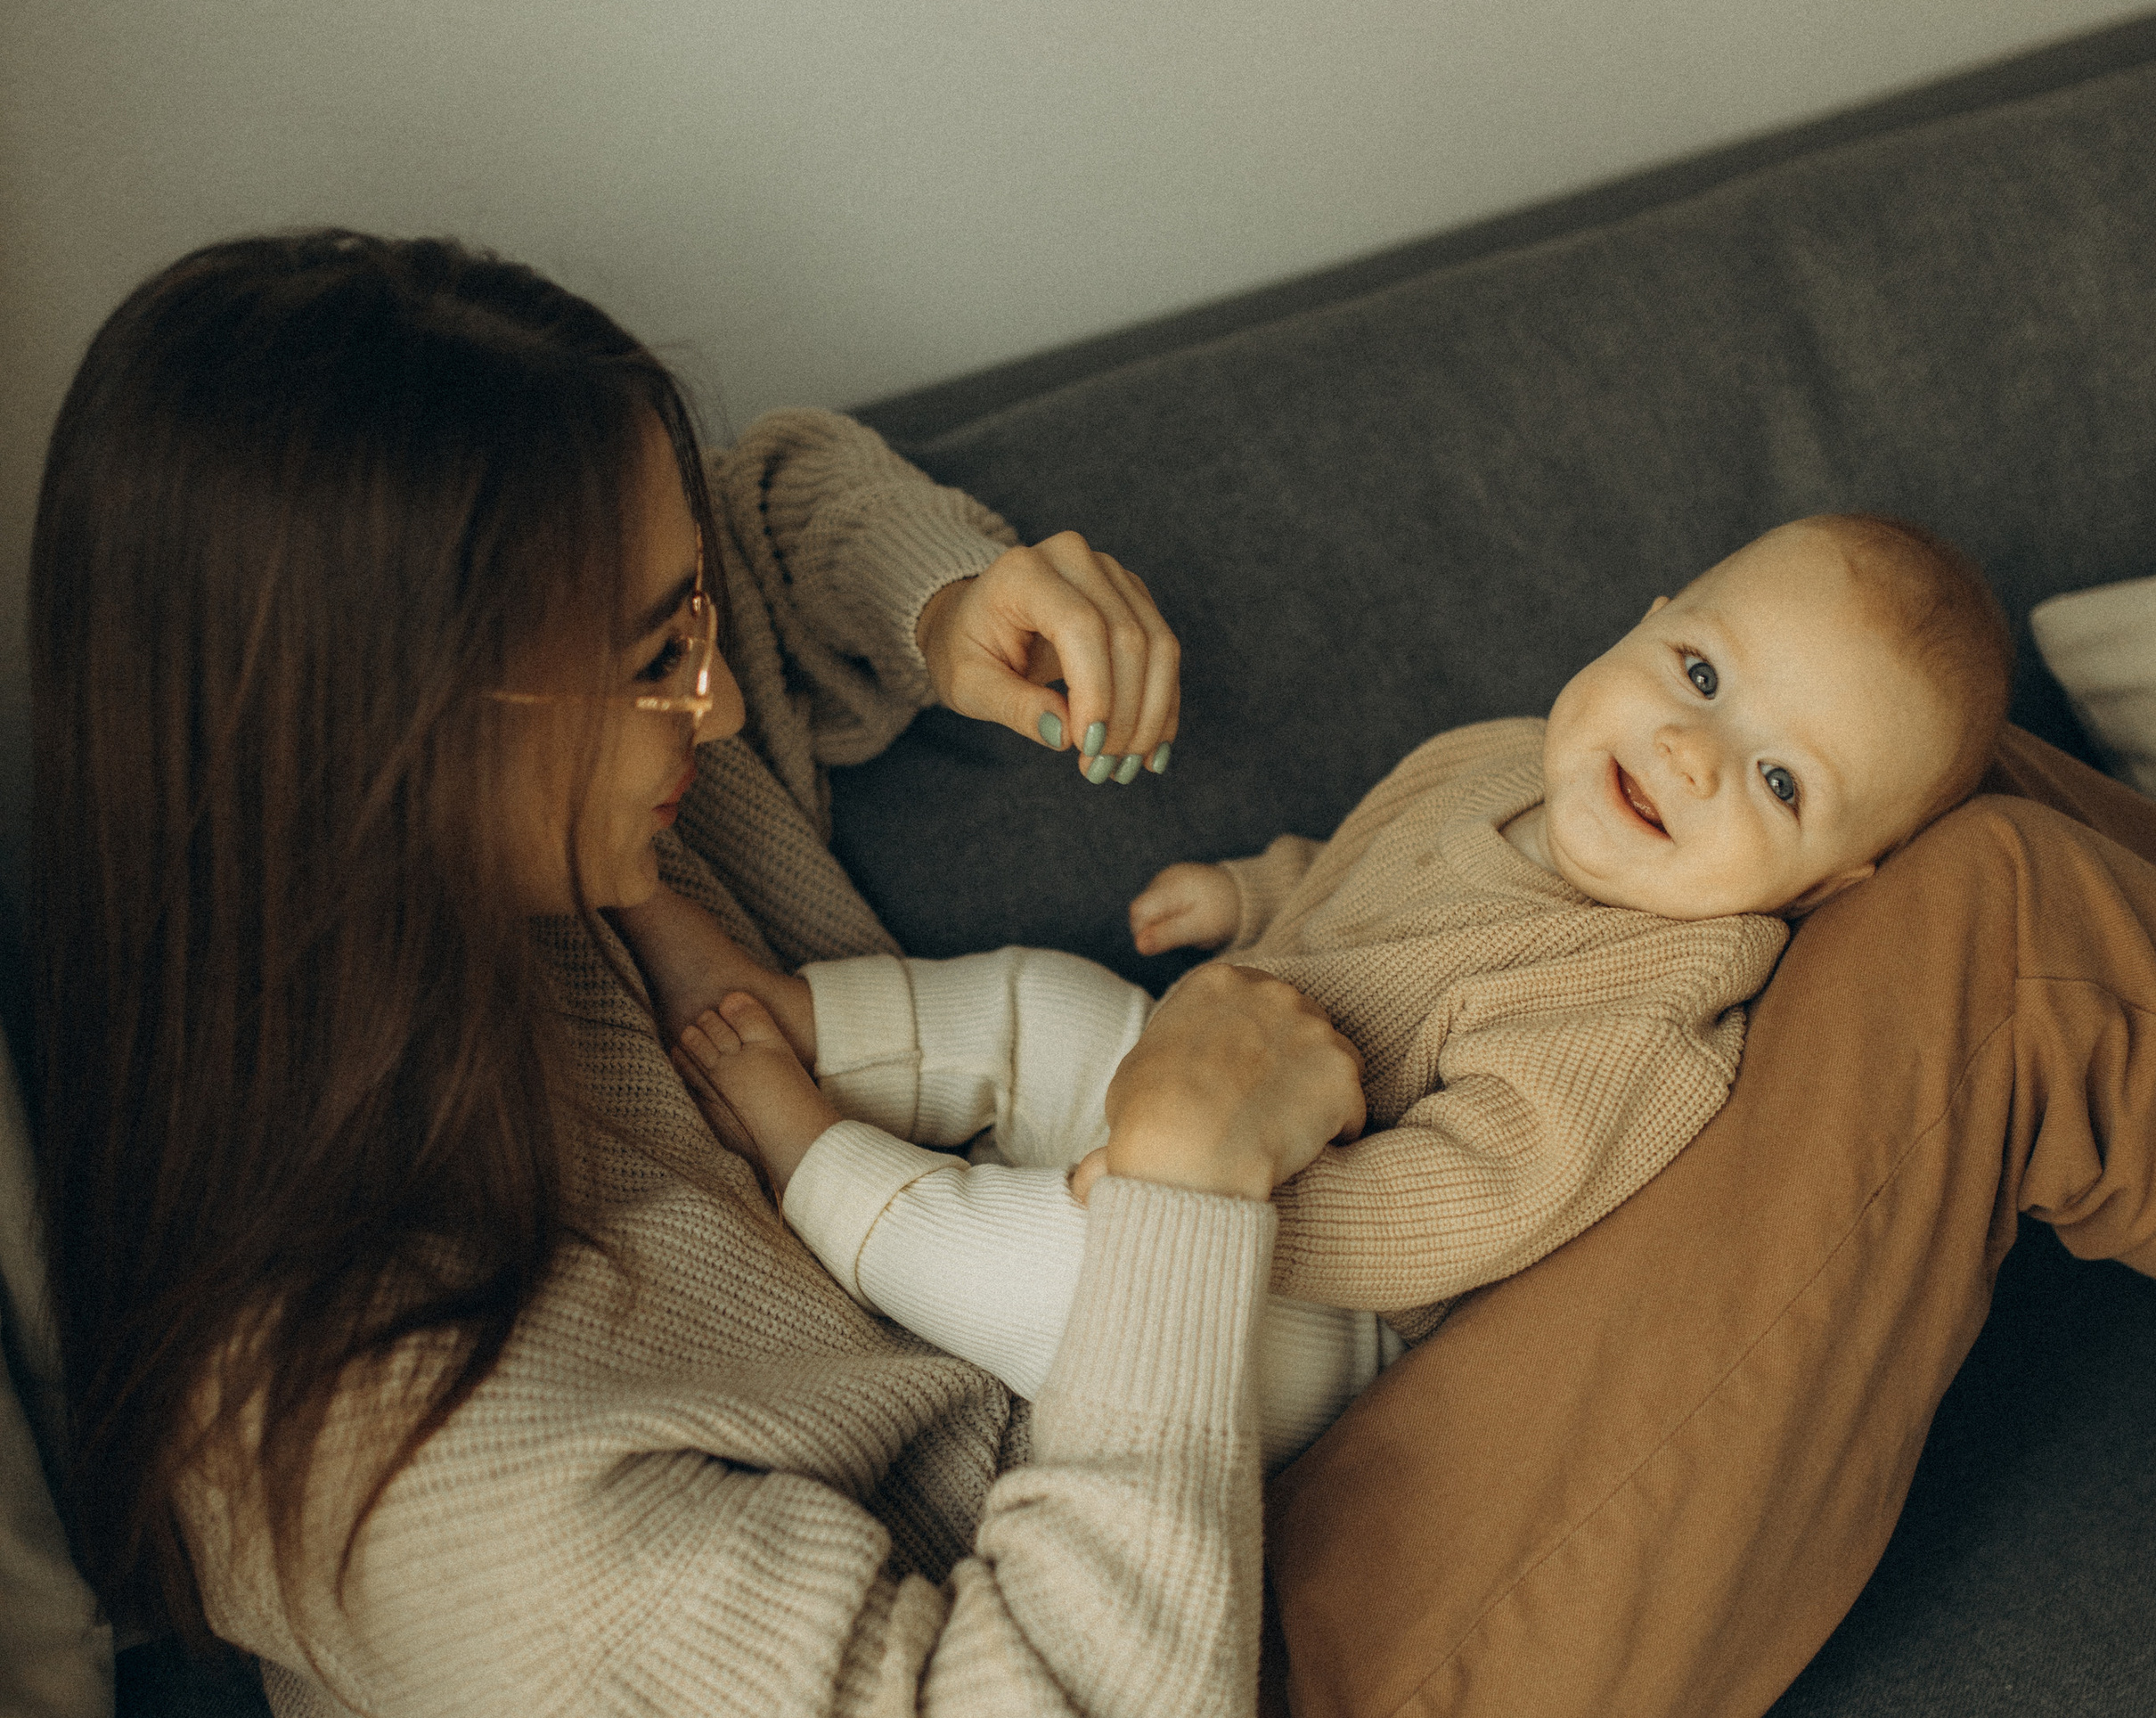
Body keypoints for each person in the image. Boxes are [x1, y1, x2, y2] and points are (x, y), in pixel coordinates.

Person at [31, 230, 1362, 1718]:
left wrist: (941, 602)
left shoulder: (510, 853)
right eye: (660, 657)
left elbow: (761, 502)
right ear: (387, 731)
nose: (716, 704)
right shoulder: (427, 1479)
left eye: (696, 633)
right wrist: (1183, 1194)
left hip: (1196, 1430)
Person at [624, 514, 2014, 1468]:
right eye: (1699, 672)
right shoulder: (1502, 756)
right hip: (1209, 1068)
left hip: (1323, 1320)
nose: (1692, 751)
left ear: (1831, 884)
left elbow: (1463, 1200)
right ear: (1648, 621)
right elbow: (1363, 875)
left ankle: (816, 1159)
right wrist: (1253, 894)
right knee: (1052, 999)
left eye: (1780, 781)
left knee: (1064, 1277)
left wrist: (1204, 1198)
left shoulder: (1659, 1007)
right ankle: (810, 1019)